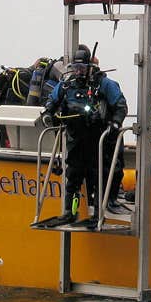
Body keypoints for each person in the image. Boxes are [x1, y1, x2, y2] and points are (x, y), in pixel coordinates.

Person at [38, 48, 128, 227]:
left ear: (89, 67)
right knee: (73, 176)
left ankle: (97, 214)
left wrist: (115, 124)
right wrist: (48, 114)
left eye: (82, 67)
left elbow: (120, 105)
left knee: (97, 176)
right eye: (75, 67)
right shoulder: (66, 85)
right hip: (75, 138)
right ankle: (70, 212)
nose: (78, 71)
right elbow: (52, 102)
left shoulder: (103, 84)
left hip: (97, 139)